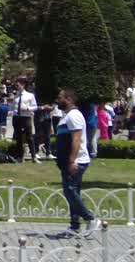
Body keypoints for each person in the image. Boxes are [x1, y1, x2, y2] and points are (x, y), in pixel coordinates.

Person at [55, 88, 99, 236]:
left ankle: (90, 219)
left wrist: (72, 161)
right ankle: (74, 226)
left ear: (68, 99)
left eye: (60, 97)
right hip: (68, 161)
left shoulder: (74, 116)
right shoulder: (67, 116)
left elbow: (76, 139)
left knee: (70, 192)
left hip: (76, 161)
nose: (57, 100)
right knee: (73, 193)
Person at [13, 80, 39, 163]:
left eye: (18, 85)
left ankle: (33, 156)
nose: (17, 87)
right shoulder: (15, 96)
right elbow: (12, 107)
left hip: (26, 117)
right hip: (17, 117)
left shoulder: (30, 95)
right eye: (16, 86)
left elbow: (35, 106)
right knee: (18, 138)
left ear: (23, 85)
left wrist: (27, 108)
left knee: (29, 137)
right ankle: (20, 157)